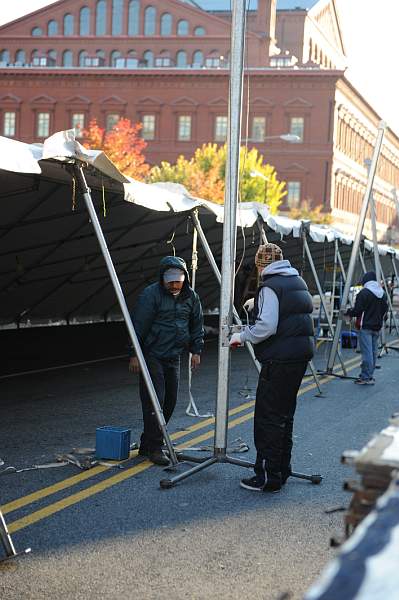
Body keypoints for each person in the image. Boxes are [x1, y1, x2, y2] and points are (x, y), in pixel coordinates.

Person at [229, 243, 314, 493]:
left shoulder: (269, 286)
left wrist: (242, 336)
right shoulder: (296, 281)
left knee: (268, 418)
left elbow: (266, 327)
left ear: (259, 265)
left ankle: (267, 477)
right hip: (299, 357)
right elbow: (289, 311)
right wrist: (259, 303)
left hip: (279, 359)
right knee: (284, 417)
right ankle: (281, 470)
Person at [129, 256, 204, 465]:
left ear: (184, 278)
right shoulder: (150, 295)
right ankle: (155, 447)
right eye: (169, 280)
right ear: (162, 278)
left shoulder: (191, 297)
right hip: (152, 355)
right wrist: (134, 354)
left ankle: (147, 443)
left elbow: (196, 324)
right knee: (156, 401)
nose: (173, 284)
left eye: (177, 280)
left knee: (170, 401)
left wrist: (196, 350)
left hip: (174, 356)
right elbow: (138, 325)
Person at [344, 271, 388, 385]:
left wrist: (348, 312)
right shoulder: (382, 294)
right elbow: (385, 311)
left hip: (365, 326)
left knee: (367, 353)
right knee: (373, 352)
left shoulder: (364, 293)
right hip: (377, 327)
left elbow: (358, 310)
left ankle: (366, 377)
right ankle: (370, 375)